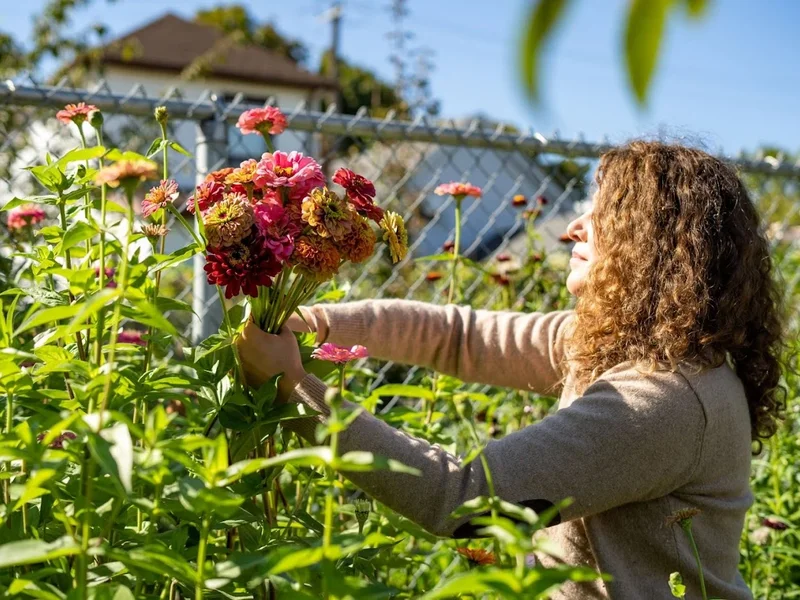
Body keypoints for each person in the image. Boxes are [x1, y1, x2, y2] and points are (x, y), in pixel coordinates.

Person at [236, 141, 785, 599]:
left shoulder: (663, 399)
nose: (574, 226)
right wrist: (317, 323)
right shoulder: (627, 345)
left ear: (661, 244)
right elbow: (459, 337)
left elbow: (462, 500)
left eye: (607, 212)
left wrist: (293, 388)